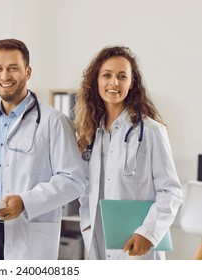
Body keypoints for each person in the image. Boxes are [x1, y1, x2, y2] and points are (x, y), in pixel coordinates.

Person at [0, 38, 86, 260]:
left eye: (13, 68)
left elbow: (74, 181)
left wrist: (25, 202)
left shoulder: (54, 121)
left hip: (28, 236)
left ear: (28, 72)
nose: (4, 76)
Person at [75, 46, 183, 260]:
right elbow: (86, 190)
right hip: (98, 243)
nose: (114, 83)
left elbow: (171, 191)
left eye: (122, 76)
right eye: (107, 75)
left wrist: (148, 233)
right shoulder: (89, 135)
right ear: (96, 80)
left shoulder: (151, 131)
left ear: (131, 83)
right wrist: (87, 226)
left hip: (138, 246)